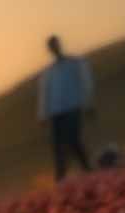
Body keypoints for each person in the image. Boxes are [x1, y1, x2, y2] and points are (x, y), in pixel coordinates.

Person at [37, 35, 95, 181]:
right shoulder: (48, 72)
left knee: (73, 139)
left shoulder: (74, 63)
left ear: (59, 45)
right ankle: (60, 176)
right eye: (52, 46)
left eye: (55, 45)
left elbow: (85, 83)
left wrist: (88, 103)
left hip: (73, 107)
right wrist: (43, 114)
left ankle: (86, 168)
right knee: (57, 145)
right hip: (56, 111)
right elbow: (45, 93)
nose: (54, 48)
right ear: (50, 50)